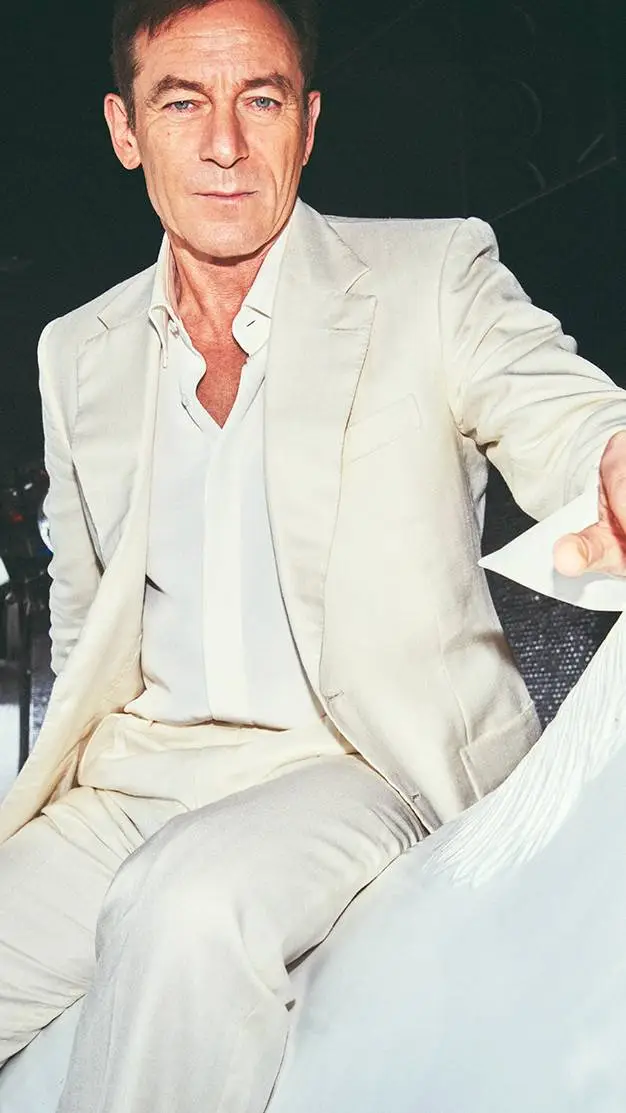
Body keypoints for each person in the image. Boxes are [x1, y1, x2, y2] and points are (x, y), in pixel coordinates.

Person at [1, 0, 626, 1109]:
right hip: (135, 779)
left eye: (262, 99)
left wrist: (611, 453)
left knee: (185, 909)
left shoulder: (432, 276)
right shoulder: (75, 350)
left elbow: (567, 416)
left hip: (357, 767)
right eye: (180, 103)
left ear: (309, 122)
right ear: (124, 130)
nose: (225, 145)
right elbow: (86, 614)